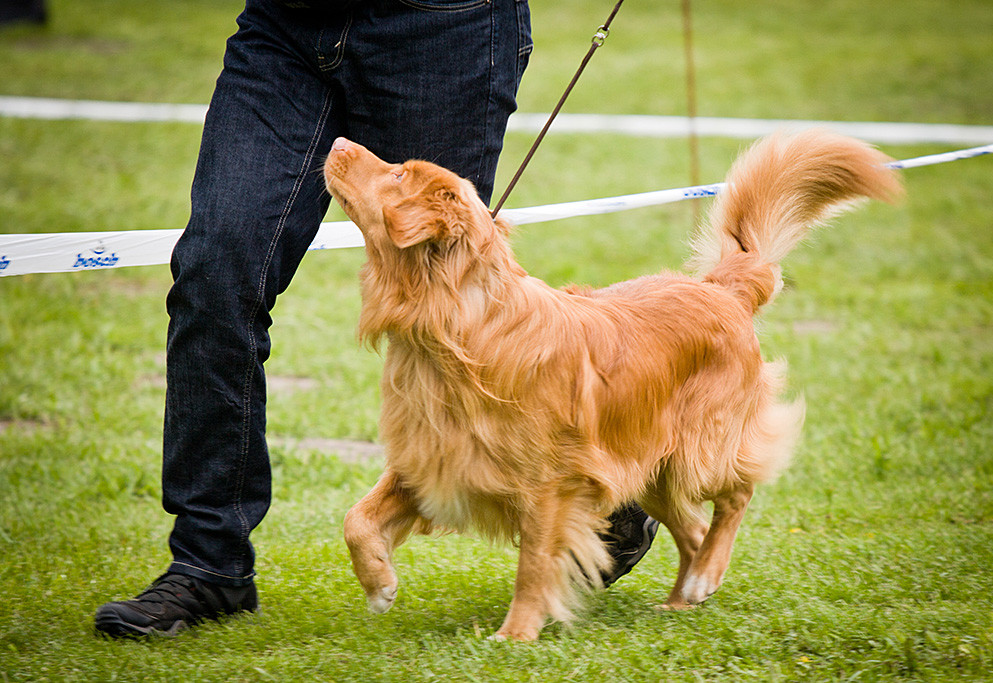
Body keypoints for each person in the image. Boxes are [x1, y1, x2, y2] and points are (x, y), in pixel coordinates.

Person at [94, 0, 657, 638]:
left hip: (445, 30)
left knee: (455, 296)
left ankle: (604, 473)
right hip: (287, 24)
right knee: (215, 272)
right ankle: (208, 565)